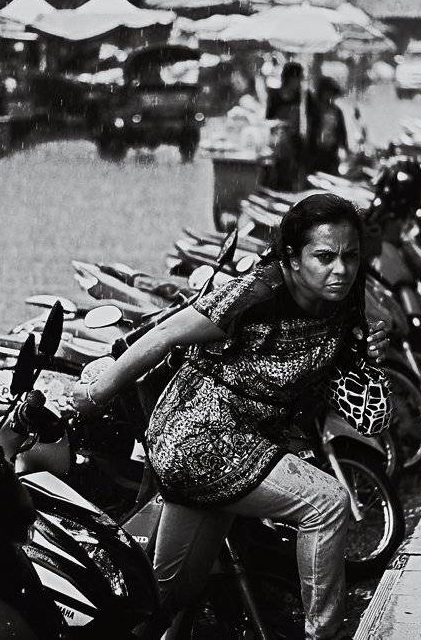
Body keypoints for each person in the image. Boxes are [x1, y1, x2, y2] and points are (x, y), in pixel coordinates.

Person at [72, 193, 391, 639]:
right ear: (292, 259)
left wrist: (371, 351)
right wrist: (92, 395)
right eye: (324, 256)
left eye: (350, 256)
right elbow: (164, 335)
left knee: (168, 595)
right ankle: (325, 634)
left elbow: (372, 412)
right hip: (196, 437)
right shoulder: (257, 293)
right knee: (327, 502)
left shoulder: (342, 301)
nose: (340, 269)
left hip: (250, 444)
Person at [266, 62, 306, 190]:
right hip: (278, 144)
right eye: (296, 78)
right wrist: (281, 125)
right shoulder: (275, 96)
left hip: (295, 145)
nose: (298, 82)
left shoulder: (303, 98)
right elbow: (269, 119)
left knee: (292, 179)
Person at [306, 76, 348, 176]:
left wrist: (344, 149)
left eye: (331, 93)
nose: (329, 96)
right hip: (315, 153)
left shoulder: (337, 111)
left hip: (331, 153)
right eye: (327, 92)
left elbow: (342, 132)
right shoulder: (313, 109)